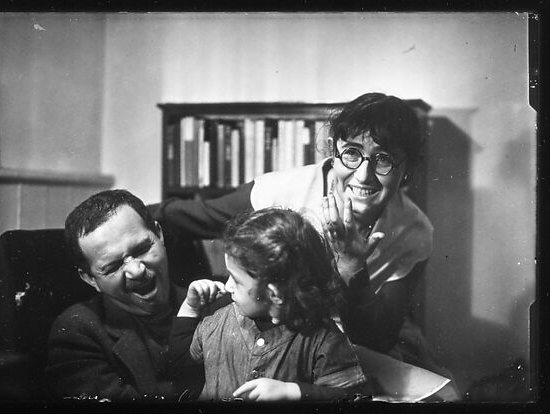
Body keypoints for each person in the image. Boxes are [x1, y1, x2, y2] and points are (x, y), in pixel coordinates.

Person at [148, 92, 433, 359]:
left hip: (347, 350)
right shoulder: (279, 191)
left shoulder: (414, 231)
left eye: (383, 159)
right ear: (334, 152)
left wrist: (353, 270)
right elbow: (183, 217)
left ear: (406, 169)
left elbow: (376, 339)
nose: (364, 174)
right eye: (352, 153)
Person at [168, 207, 368, 402]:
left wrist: (294, 392)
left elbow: (352, 397)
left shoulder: (323, 339)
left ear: (275, 294)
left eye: (236, 280)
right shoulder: (218, 322)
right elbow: (179, 372)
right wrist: (190, 308)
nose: (228, 286)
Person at [45, 189, 191, 400]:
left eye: (142, 249)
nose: (136, 271)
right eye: (113, 266)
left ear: (159, 235)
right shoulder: (78, 332)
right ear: (89, 278)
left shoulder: (217, 306)